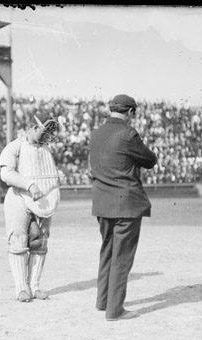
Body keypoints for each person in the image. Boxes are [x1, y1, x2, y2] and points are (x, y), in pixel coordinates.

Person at [89, 94, 157, 321]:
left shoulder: (96, 134)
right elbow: (150, 160)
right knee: (122, 257)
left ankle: (102, 301)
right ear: (130, 112)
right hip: (125, 205)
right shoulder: (128, 134)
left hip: (102, 203)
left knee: (107, 252)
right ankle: (115, 310)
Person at [0, 117, 62, 302]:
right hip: (18, 198)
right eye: (44, 131)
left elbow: (49, 174)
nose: (47, 136)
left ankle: (34, 286)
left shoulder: (46, 149)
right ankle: (21, 288)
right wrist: (29, 185)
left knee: (40, 242)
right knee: (18, 241)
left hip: (42, 201)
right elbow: (6, 173)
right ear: (33, 128)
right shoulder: (15, 147)